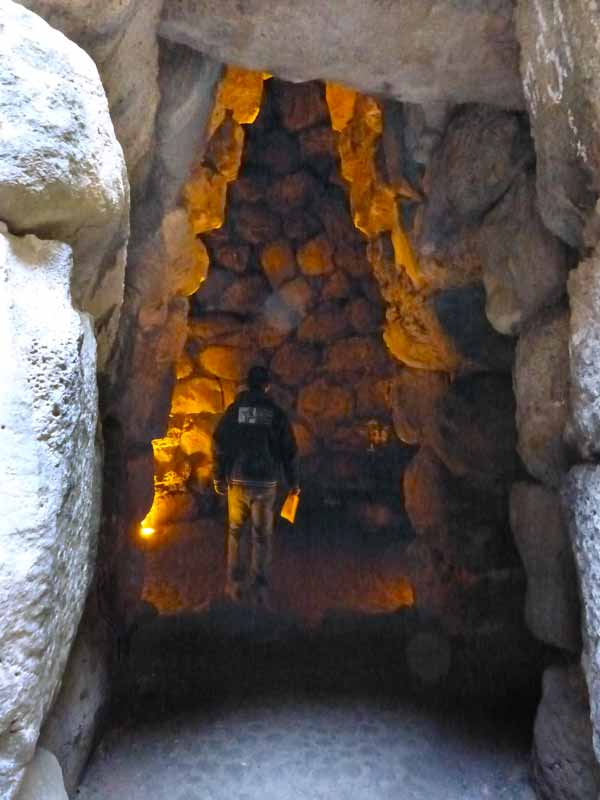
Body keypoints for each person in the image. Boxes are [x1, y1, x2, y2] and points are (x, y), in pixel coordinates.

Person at [212, 365, 299, 607]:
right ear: (267, 386)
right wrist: (293, 482)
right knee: (262, 535)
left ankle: (234, 585)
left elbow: (219, 442)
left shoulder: (235, 411)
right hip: (265, 481)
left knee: (235, 531)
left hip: (238, 480)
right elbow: (289, 449)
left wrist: (218, 475)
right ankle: (260, 589)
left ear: (247, 384)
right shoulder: (275, 412)